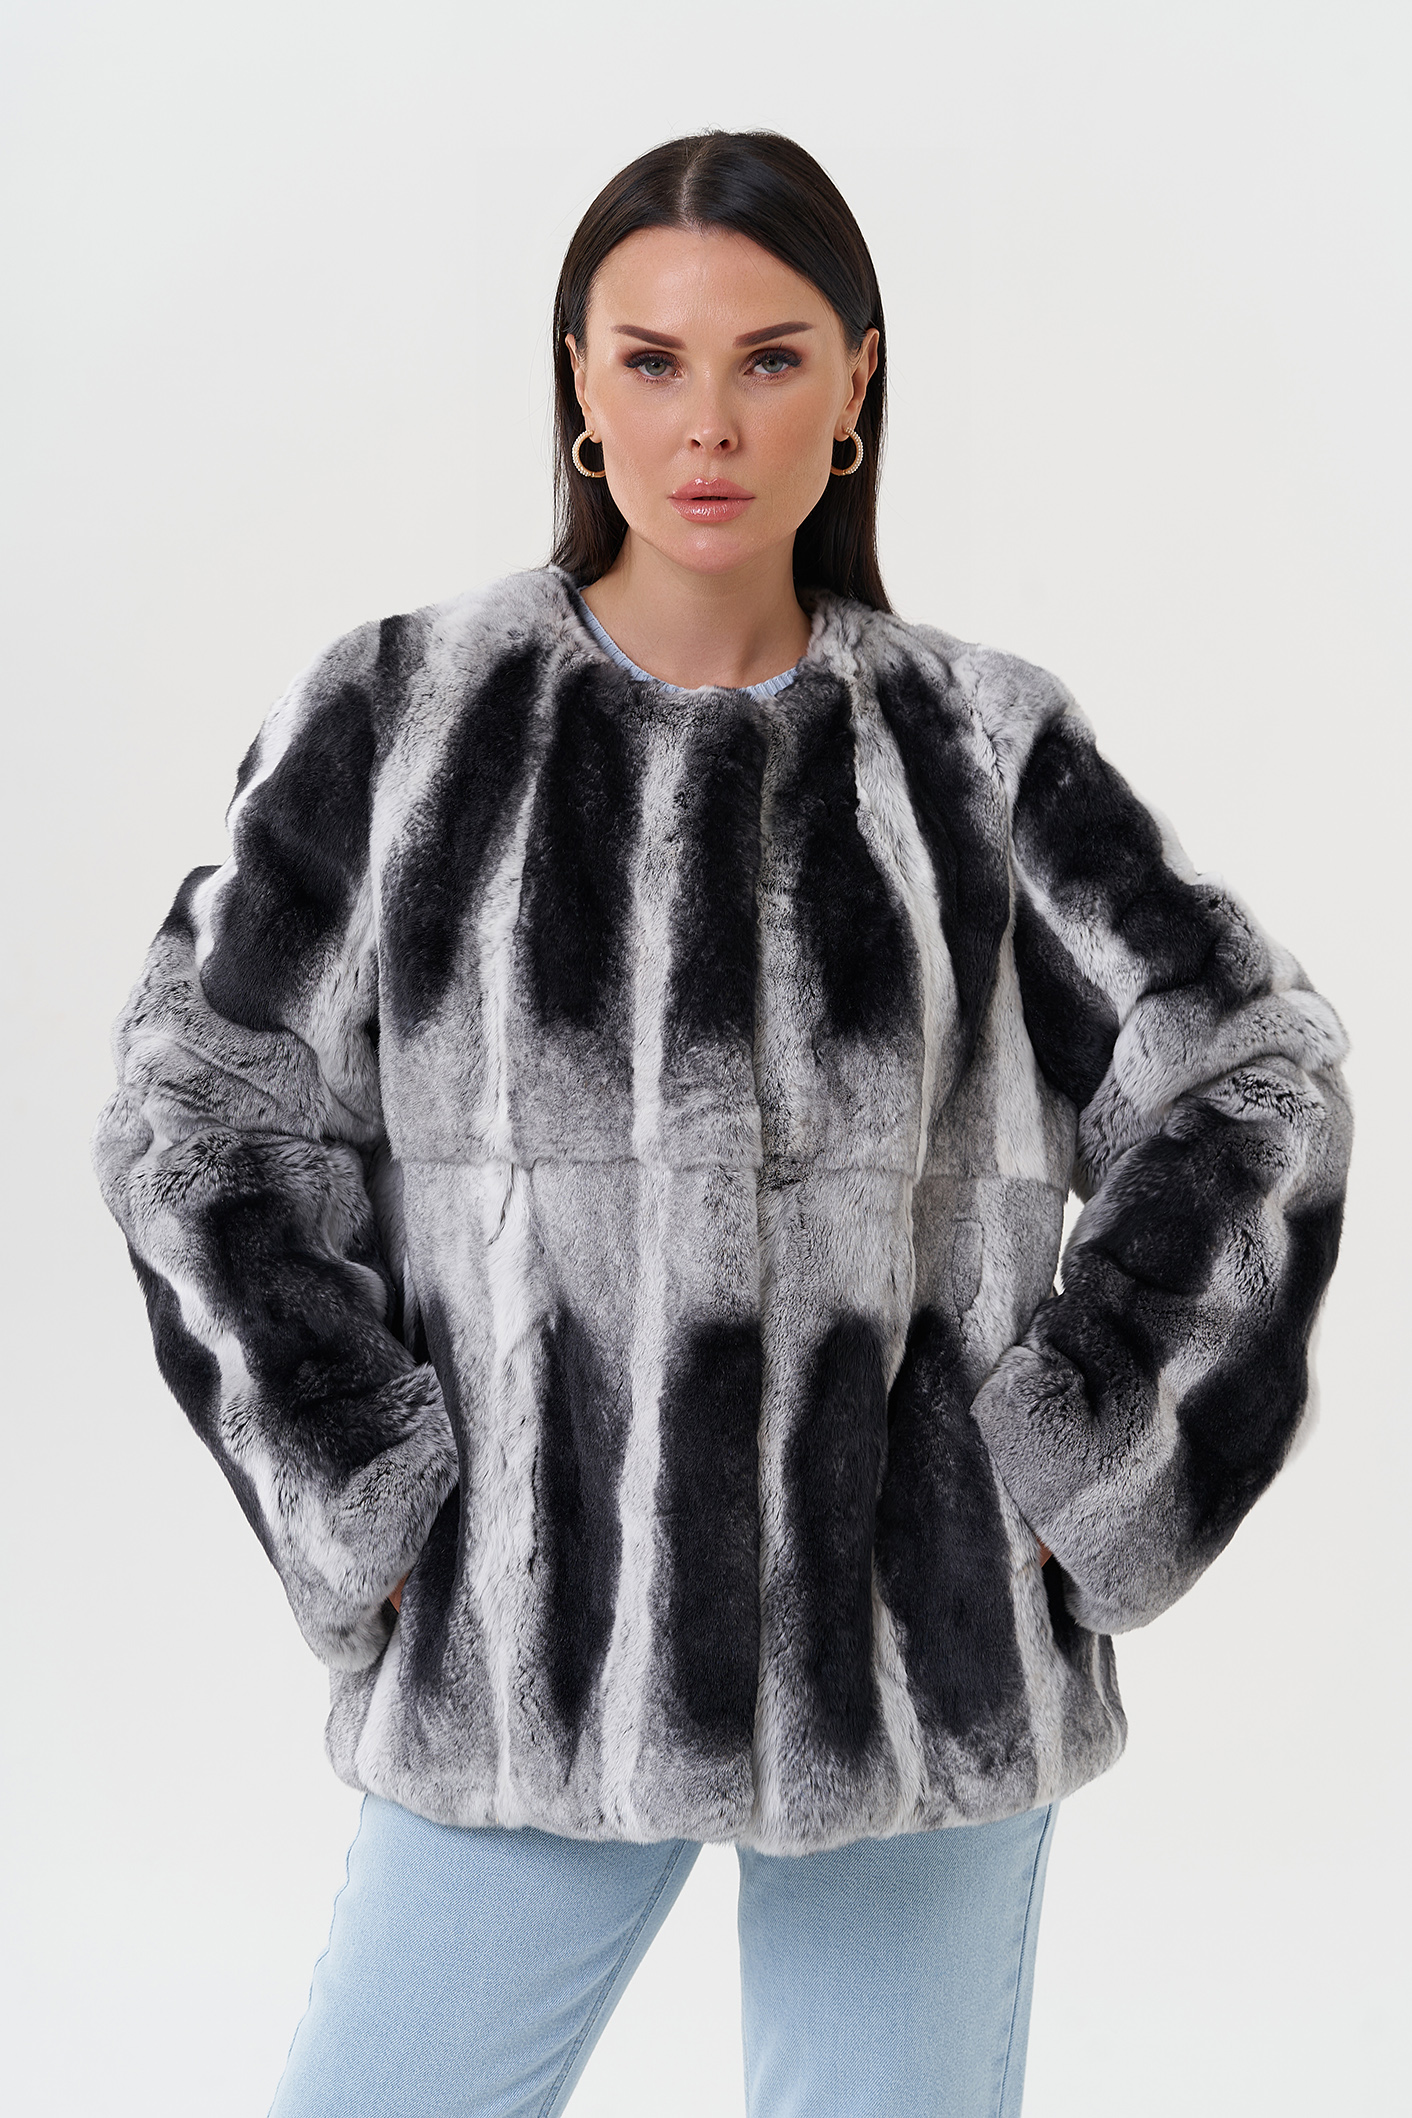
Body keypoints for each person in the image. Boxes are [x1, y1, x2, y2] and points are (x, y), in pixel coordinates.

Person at [92, 131, 1352, 2118]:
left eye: (769, 359)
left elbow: (1249, 1072)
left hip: (914, 1664)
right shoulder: (403, 719)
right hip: (528, 1645)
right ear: (577, 387)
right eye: (652, 360)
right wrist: (357, 1478)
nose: (708, 424)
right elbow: (203, 1112)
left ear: (855, 385)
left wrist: (1086, 1444)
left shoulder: (980, 746)